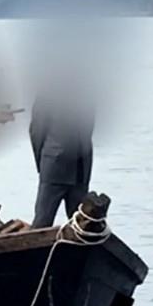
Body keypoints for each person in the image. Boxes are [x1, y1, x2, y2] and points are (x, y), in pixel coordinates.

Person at [30, 93, 94, 228]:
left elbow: (89, 129)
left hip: (80, 168)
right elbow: (37, 132)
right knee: (43, 221)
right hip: (55, 168)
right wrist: (43, 163)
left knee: (81, 225)